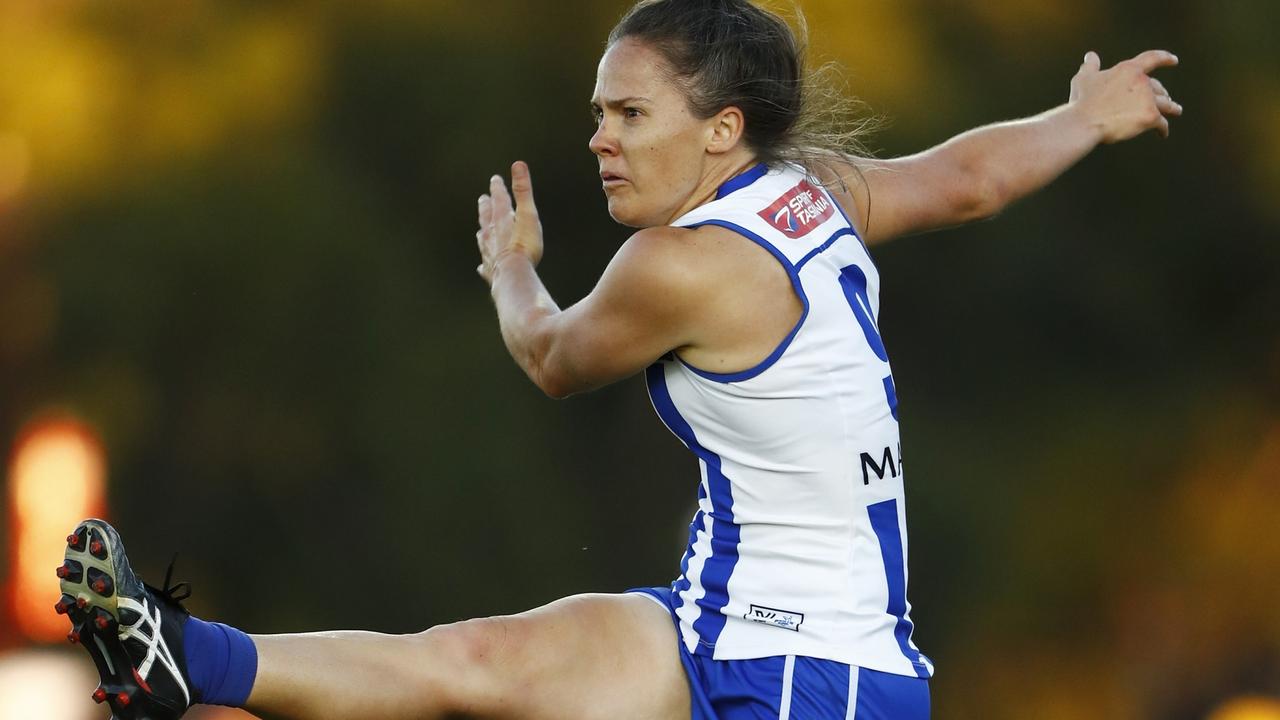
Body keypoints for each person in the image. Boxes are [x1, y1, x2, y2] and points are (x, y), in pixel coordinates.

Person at [54, 1, 1181, 718]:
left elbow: (548, 357)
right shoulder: (810, 193)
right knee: (475, 662)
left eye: (629, 113)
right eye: (598, 110)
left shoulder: (675, 265)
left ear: (721, 131)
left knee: (471, 670)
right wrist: (1080, 118)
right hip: (715, 624)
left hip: (814, 683)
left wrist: (510, 265)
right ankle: (180, 657)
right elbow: (967, 179)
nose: (599, 136)